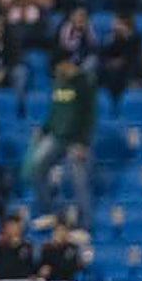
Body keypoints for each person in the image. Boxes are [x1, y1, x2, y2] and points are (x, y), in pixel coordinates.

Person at [26, 53, 95, 229]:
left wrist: (83, 142)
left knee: (78, 179)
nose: (58, 70)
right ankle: (50, 212)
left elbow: (89, 115)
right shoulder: (57, 82)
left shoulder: (83, 82)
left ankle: (84, 224)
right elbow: (54, 111)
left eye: (61, 66)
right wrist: (43, 130)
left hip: (76, 140)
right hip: (57, 137)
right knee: (38, 167)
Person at [97, 12, 142, 104]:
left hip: (129, 69)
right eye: (114, 23)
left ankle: (131, 83)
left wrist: (126, 37)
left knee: (126, 66)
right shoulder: (108, 37)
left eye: (118, 23)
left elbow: (133, 54)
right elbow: (102, 54)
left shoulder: (136, 38)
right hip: (111, 69)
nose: (115, 26)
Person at [0, 213, 35, 280]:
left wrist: (32, 275)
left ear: (20, 228)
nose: (11, 229)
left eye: (14, 226)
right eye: (9, 226)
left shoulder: (27, 247)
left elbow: (30, 268)